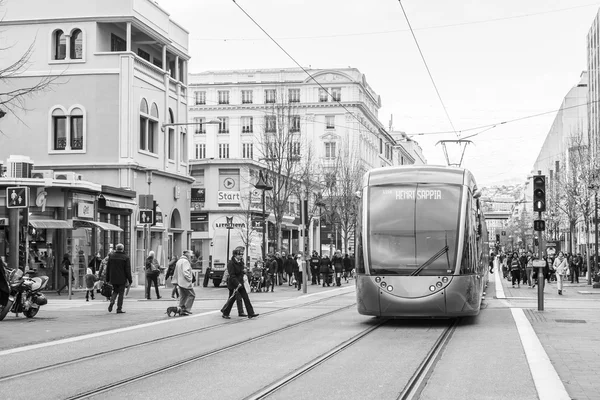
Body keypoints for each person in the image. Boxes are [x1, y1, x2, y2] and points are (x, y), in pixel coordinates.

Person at [221, 247, 258, 319]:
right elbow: (232, 275)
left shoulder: (241, 262)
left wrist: (243, 272)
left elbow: (240, 272)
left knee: (246, 298)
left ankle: (251, 313)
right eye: (239, 254)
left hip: (240, 283)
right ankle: (225, 313)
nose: (241, 256)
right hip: (234, 284)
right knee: (232, 299)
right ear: (235, 255)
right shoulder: (231, 263)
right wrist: (237, 283)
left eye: (242, 254)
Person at [106, 243, 132, 314]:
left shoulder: (111, 256)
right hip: (122, 278)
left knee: (115, 291)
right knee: (121, 293)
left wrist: (107, 278)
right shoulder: (125, 257)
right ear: (122, 249)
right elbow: (128, 270)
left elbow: (108, 268)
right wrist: (130, 279)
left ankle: (112, 302)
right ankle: (119, 308)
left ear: (116, 248)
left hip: (113, 278)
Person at [173, 250, 195, 315]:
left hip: (180, 282)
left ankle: (180, 309)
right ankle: (186, 309)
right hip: (185, 282)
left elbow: (176, 272)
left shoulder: (179, 261)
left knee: (183, 296)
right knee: (192, 295)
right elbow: (186, 272)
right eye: (191, 256)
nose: (191, 257)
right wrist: (190, 279)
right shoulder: (185, 261)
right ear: (187, 255)